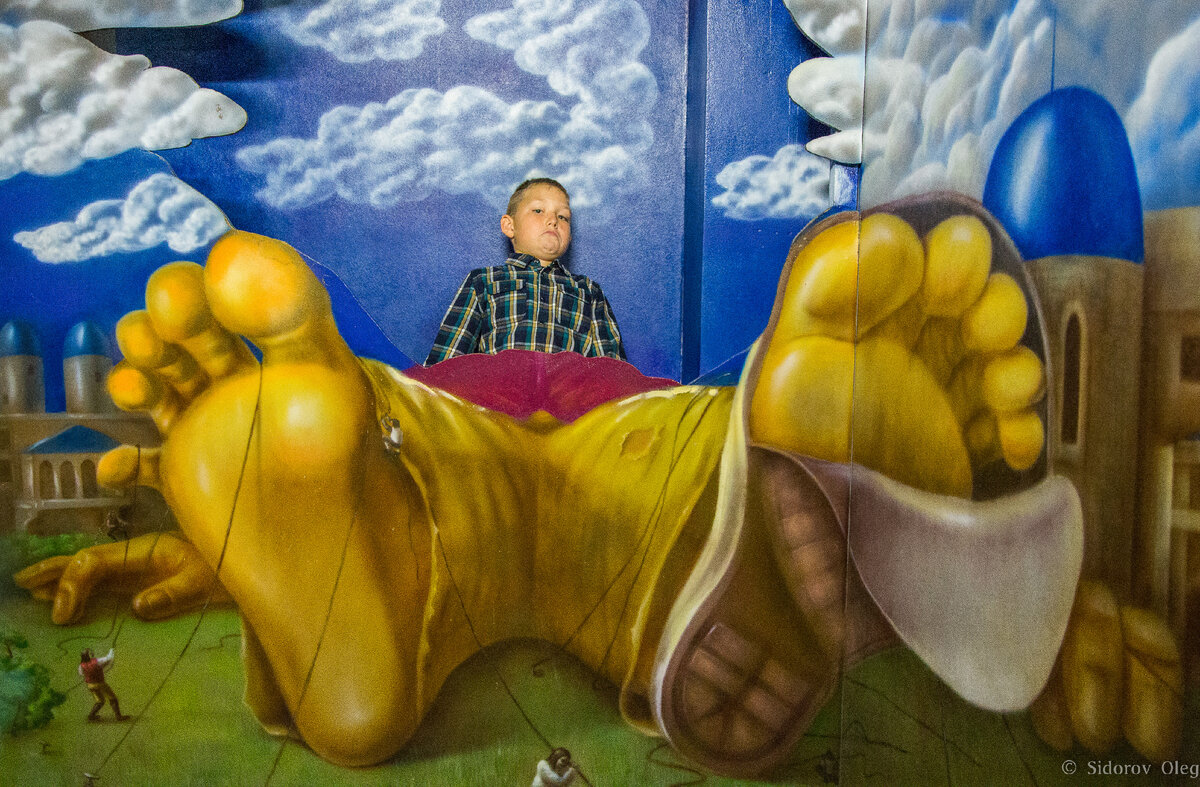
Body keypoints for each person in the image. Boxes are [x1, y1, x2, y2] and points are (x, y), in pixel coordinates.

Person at [15, 194, 1181, 777]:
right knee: (415, 445)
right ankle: (342, 496)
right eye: (542, 210)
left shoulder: (589, 305)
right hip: (460, 426)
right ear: (506, 224)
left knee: (664, 457)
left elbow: (630, 378)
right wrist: (323, 465)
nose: (558, 226)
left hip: (600, 431)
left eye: (567, 218)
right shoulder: (483, 292)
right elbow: (432, 369)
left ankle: (760, 509)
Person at [425, 178, 625, 364]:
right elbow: (446, 361)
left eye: (563, 217)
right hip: (500, 388)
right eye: (538, 210)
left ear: (570, 236)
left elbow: (611, 369)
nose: (553, 220)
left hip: (567, 391)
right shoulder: (483, 281)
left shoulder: (588, 290)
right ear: (509, 226)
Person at [79, 648, 129, 722]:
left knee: (100, 701)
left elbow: (81, 673)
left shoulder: (81, 666)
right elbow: (108, 659)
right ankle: (118, 716)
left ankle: (91, 715)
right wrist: (111, 651)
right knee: (112, 698)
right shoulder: (97, 661)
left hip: (90, 685)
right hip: (100, 683)